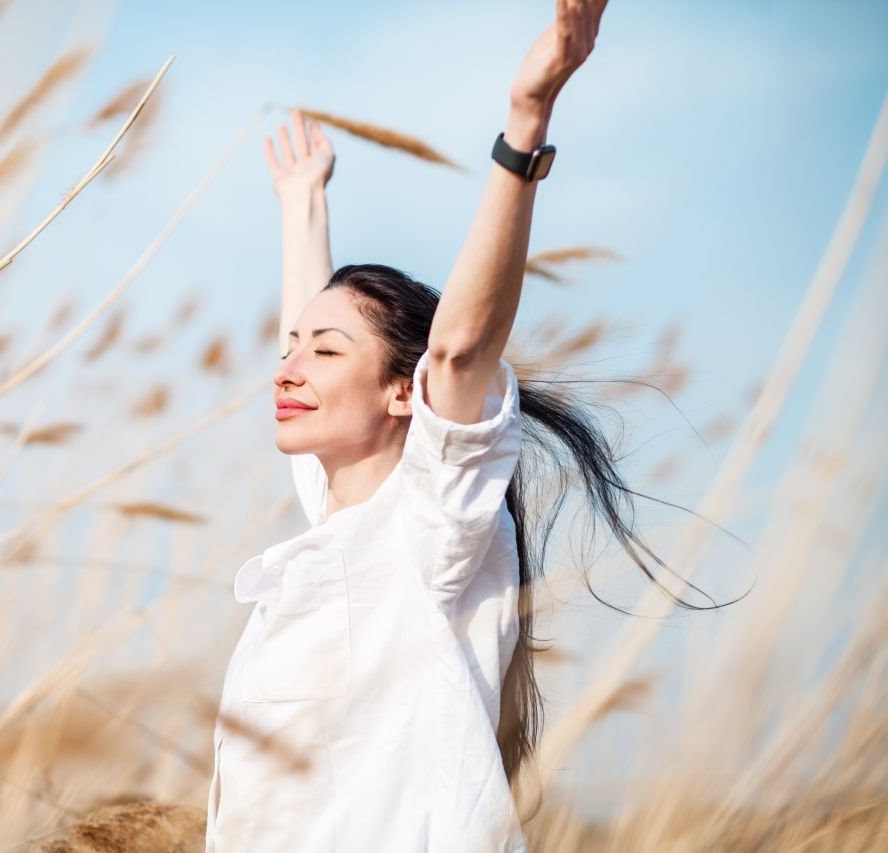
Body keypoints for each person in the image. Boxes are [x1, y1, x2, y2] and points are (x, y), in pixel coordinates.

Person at [204, 2, 647, 850]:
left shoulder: (429, 529)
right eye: (290, 347)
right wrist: (302, 207)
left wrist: (526, 125)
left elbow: (460, 348)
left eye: (322, 353)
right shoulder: (342, 516)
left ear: (404, 394)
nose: (286, 368)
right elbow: (322, 342)